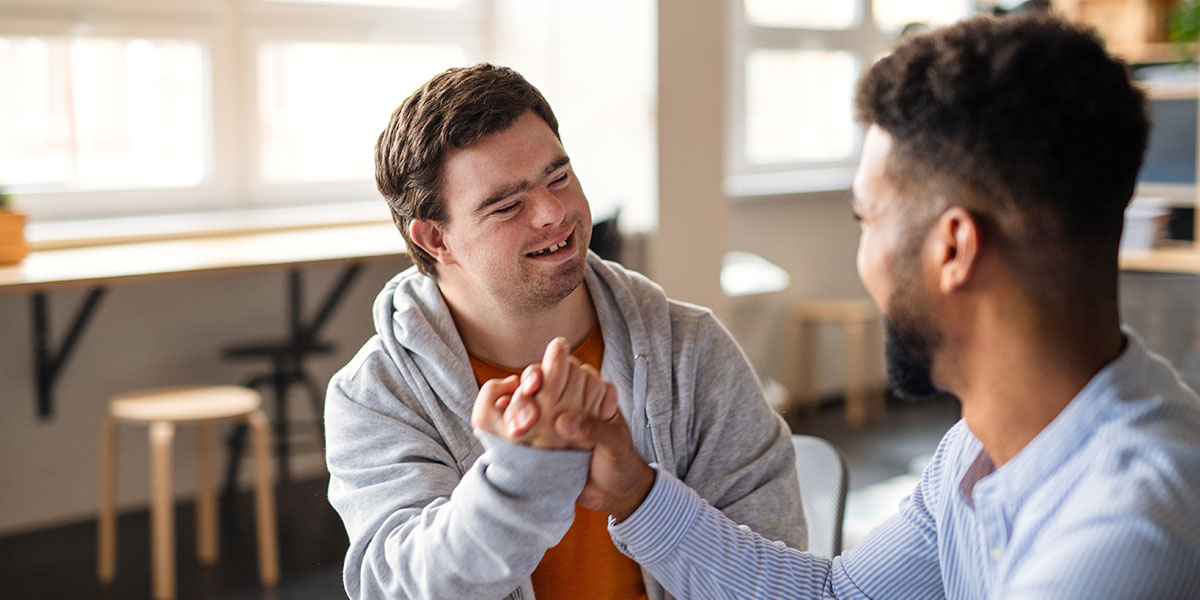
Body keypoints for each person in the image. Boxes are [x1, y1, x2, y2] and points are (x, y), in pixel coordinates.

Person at [478, 14, 1200, 598]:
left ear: (953, 249)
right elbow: (837, 597)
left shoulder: (1133, 534)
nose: (864, 257)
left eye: (866, 219)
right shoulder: (983, 448)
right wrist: (634, 491)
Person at [323, 63, 805, 600]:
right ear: (437, 239)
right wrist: (521, 477)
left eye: (560, 177)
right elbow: (399, 589)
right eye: (508, 205)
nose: (554, 213)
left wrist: (642, 496)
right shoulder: (375, 395)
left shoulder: (691, 349)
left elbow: (777, 577)